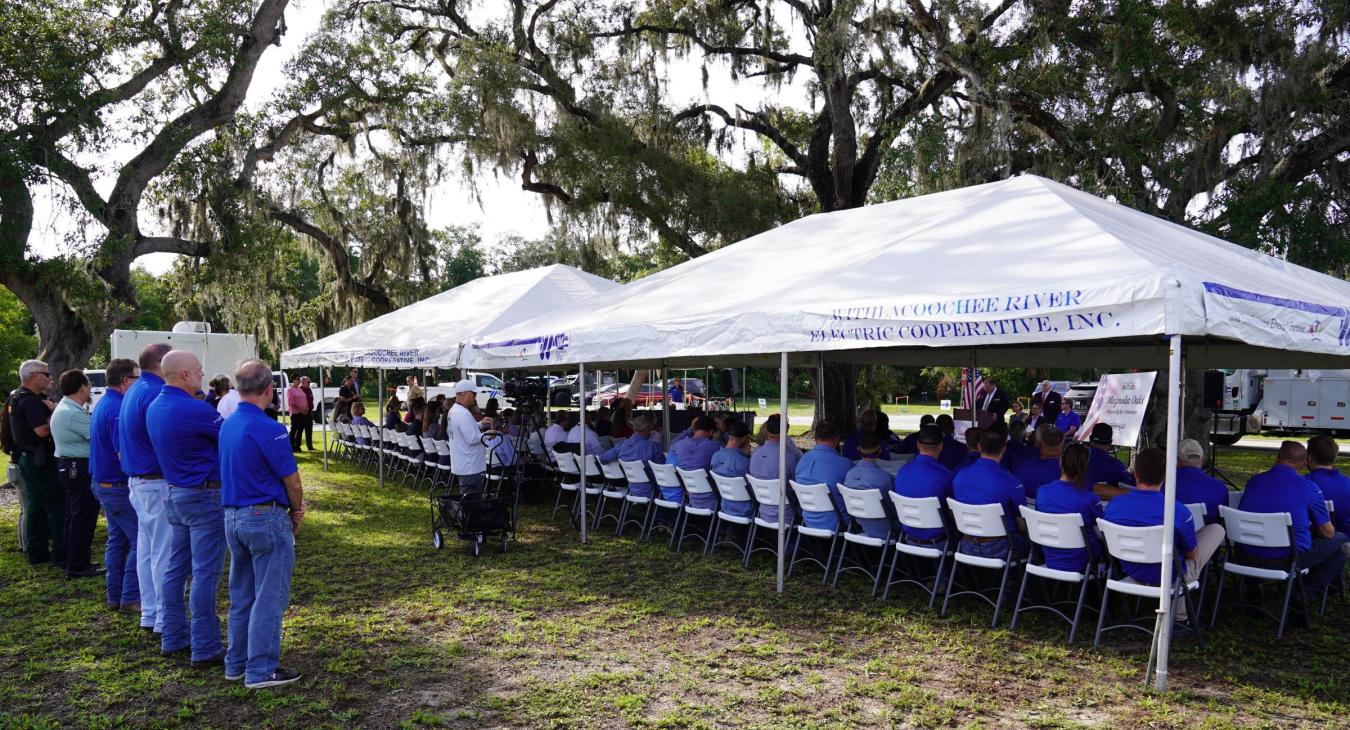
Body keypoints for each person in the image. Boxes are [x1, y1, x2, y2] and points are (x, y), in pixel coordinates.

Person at [219, 360, 306, 689]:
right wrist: (297, 511)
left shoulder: (227, 424)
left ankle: (237, 663)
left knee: (242, 596)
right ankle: (261, 669)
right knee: (269, 597)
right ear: (269, 390)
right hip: (263, 517)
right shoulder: (270, 428)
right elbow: (292, 482)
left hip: (233, 516)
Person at [147, 350, 226, 667]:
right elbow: (232, 437)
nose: (203, 373)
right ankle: (205, 646)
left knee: (175, 568)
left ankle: (174, 635)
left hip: (176, 493)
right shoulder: (196, 410)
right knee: (205, 573)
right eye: (198, 370)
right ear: (184, 375)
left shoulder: (155, 406)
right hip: (204, 495)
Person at [1105, 448, 1224, 611]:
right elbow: (1192, 554)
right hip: (1171, 576)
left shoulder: (1114, 506)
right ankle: (1180, 616)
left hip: (1131, 570)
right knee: (1215, 530)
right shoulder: (1178, 511)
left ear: (1134, 473)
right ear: (1166, 475)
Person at [1238, 442, 1347, 601]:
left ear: (1277, 458)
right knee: (1340, 540)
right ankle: (1306, 593)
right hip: (1287, 560)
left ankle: (1254, 585)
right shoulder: (1309, 488)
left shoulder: (1254, 481)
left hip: (1245, 556)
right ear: (1304, 463)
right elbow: (1327, 532)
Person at [120, 342, 173, 635]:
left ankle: (152, 613)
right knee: (163, 551)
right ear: (163, 363)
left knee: (149, 551)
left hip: (139, 482)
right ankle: (164, 618)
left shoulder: (136, 389)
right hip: (155, 482)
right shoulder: (154, 392)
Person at [89, 358, 141, 612]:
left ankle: (115, 595)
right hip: (118, 486)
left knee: (117, 541)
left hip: (104, 483)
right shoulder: (119, 409)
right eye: (137, 379)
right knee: (140, 542)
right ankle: (130, 597)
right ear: (125, 381)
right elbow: (124, 453)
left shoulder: (104, 403)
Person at [10, 360, 65, 567]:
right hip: (38, 459)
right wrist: (54, 412)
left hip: (28, 457)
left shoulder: (17, 397)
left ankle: (37, 552)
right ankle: (61, 553)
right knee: (56, 504)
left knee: (36, 507)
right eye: (46, 374)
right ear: (34, 376)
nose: (50, 377)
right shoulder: (31, 401)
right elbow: (41, 430)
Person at [51, 369, 102, 578]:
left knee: (73, 516)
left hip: (71, 466)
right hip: (78, 467)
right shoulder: (72, 413)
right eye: (89, 385)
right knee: (83, 516)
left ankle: (70, 559)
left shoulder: (68, 408)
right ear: (82, 388)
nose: (90, 388)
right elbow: (97, 436)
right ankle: (79, 565)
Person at [952, 429, 1027, 559]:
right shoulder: (1011, 482)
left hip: (966, 545)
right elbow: (1022, 526)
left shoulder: (960, 476)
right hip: (1002, 548)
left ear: (979, 447)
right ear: (1004, 449)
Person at [1032, 443, 1103, 573]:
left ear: (1060, 461)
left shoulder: (1042, 492)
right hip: (1083, 561)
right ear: (1085, 467)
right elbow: (1101, 534)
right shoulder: (1090, 499)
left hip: (1050, 557)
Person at [892, 424, 953, 546]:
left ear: (918, 445)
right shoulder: (946, 475)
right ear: (941, 446)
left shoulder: (902, 472)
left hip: (908, 538)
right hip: (939, 540)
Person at [794, 420, 853, 528]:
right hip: (839, 523)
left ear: (815, 439)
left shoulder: (802, 461)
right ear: (837, 439)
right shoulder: (845, 465)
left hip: (808, 520)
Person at [749, 414, 801, 526]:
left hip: (763, 511)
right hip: (788, 514)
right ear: (786, 429)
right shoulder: (790, 456)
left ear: (766, 430)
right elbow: (799, 484)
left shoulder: (755, 453)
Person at [599, 415, 664, 498]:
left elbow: (603, 459)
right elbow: (662, 470)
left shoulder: (623, 445)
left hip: (632, 489)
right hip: (653, 490)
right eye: (651, 428)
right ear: (647, 428)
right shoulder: (653, 447)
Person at [844, 433, 895, 538]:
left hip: (859, 525)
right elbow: (893, 509)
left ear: (859, 450)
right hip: (887, 530)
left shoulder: (849, 475)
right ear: (879, 451)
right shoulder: (885, 478)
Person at [449, 379, 493, 493]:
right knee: (472, 500)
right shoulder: (463, 413)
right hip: (469, 465)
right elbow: (472, 439)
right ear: (467, 393)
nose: (475, 397)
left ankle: (466, 511)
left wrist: (480, 424)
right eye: (474, 394)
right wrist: (488, 434)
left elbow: (463, 430)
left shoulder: (454, 410)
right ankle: (468, 511)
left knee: (467, 497)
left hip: (463, 462)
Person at [1174, 439, 1229, 524]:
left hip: (1171, 535)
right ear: (1202, 459)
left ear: (1177, 460)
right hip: (1206, 535)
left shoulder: (1164, 484)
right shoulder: (1219, 487)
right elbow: (1223, 520)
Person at [1306, 436, 1350, 538]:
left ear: (1308, 458)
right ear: (1334, 457)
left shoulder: (1302, 485)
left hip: (1314, 544)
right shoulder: (1348, 483)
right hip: (1346, 546)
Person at [1013, 425, 1064, 501]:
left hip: (1022, 510)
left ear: (1039, 444)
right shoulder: (1066, 473)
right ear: (1062, 445)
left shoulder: (1022, 466)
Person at [1085, 423, 1134, 495]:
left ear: (1090, 438)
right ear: (1110, 442)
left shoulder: (1075, 461)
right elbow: (1131, 488)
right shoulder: (1118, 466)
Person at [285, 378, 309, 453]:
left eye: (299, 380)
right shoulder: (290, 390)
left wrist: (306, 408)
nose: (298, 381)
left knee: (301, 429)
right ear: (293, 380)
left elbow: (305, 399)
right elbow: (291, 402)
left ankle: (297, 445)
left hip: (302, 413)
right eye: (297, 379)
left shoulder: (300, 389)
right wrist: (300, 409)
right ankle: (291, 445)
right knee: (294, 429)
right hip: (295, 412)